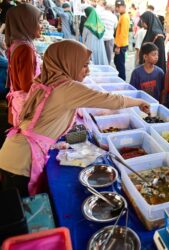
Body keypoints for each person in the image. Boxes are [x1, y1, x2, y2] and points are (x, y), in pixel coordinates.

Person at [0, 40, 150, 197]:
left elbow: (52, 118)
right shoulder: (67, 88)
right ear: (67, 62)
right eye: (84, 65)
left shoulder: (46, 79)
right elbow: (110, 100)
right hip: (21, 164)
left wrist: (90, 143)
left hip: (13, 154)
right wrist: (138, 102)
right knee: (22, 213)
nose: (88, 71)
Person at [5, 4, 42, 127]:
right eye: (38, 22)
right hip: (25, 106)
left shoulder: (17, 43)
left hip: (17, 101)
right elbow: (27, 85)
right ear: (26, 23)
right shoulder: (26, 49)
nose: (41, 27)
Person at [114, 0, 129, 80]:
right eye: (116, 7)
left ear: (124, 7)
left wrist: (118, 46)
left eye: (119, 7)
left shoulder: (125, 17)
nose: (117, 8)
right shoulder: (122, 16)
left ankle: (122, 80)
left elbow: (123, 33)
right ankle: (121, 78)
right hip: (120, 44)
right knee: (117, 62)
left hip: (121, 45)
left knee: (120, 64)